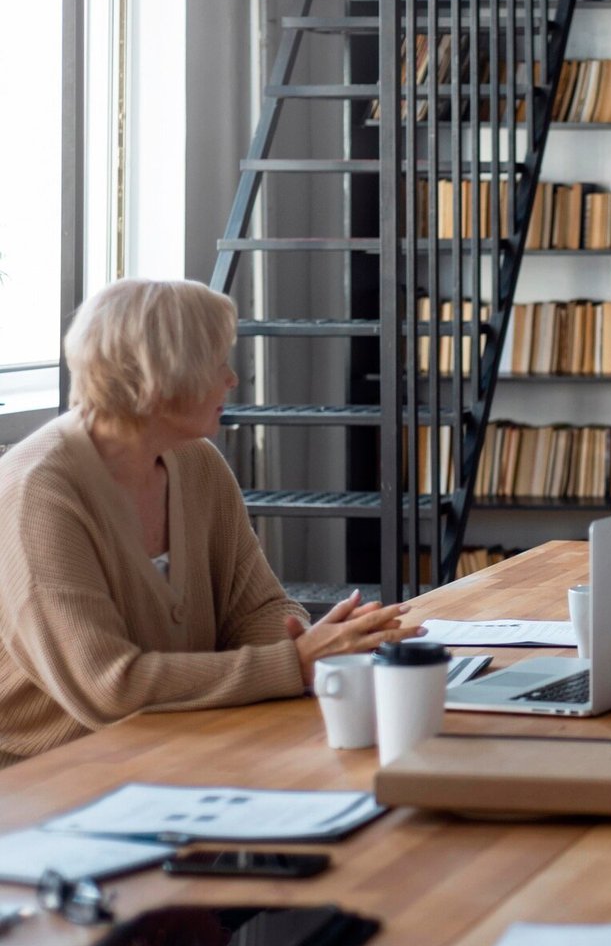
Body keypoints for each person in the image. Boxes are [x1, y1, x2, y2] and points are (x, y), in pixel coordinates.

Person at [0, 279, 423, 767]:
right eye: (217, 363)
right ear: (162, 376)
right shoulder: (39, 492)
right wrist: (293, 663)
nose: (232, 380)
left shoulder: (195, 461)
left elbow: (259, 604)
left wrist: (296, 645)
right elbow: (110, 689)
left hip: (173, 746)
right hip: (43, 781)